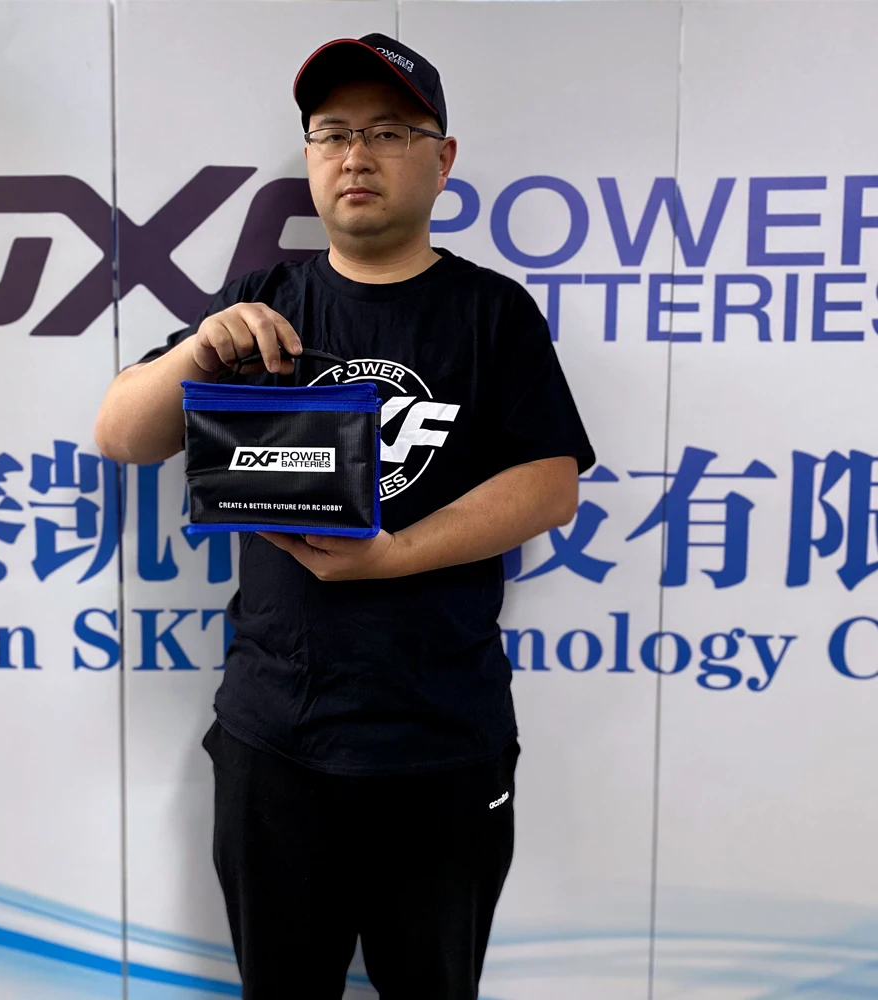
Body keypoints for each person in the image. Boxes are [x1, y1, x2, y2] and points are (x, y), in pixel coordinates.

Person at [95, 32, 595, 1000]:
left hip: (443, 739)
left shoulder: (491, 311)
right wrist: (198, 352)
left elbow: (549, 484)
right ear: (311, 157)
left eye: (389, 131)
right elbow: (122, 435)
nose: (356, 155)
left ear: (442, 158)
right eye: (332, 133)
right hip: (274, 735)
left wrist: (392, 555)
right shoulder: (259, 302)